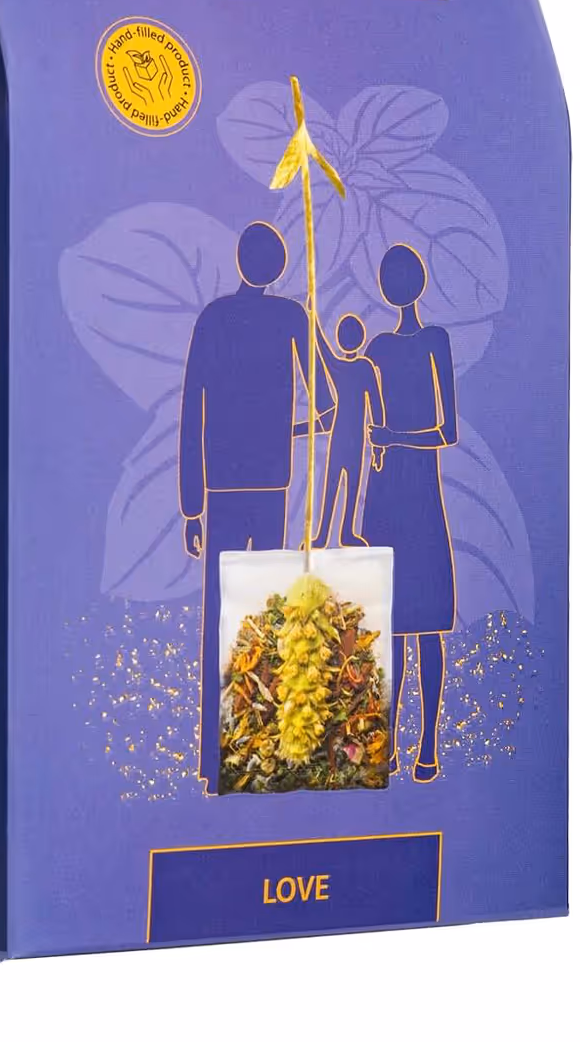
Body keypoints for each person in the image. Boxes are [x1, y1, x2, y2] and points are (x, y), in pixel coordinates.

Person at [178, 220, 334, 791]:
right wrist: (286, 432)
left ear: (241, 262)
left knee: (222, 616)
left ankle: (212, 763)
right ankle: (257, 757)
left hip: (221, 488)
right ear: (278, 266)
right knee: (266, 617)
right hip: (270, 485)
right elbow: (327, 405)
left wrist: (191, 505)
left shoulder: (213, 318)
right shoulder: (291, 317)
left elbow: (191, 411)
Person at [360, 243, 458, 782]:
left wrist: (394, 437)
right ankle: (390, 744)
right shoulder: (376, 347)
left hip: (420, 490)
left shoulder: (434, 341)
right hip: (386, 493)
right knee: (394, 626)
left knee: (428, 625)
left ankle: (428, 747)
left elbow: (448, 430)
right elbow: (361, 409)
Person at [310, 314, 384, 549]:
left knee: (343, 483)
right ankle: (328, 534)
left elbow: (376, 405)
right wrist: (378, 443)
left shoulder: (352, 367)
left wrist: (314, 321)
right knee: (339, 482)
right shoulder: (361, 367)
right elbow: (377, 406)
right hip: (348, 435)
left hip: (348, 435)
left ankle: (340, 533)